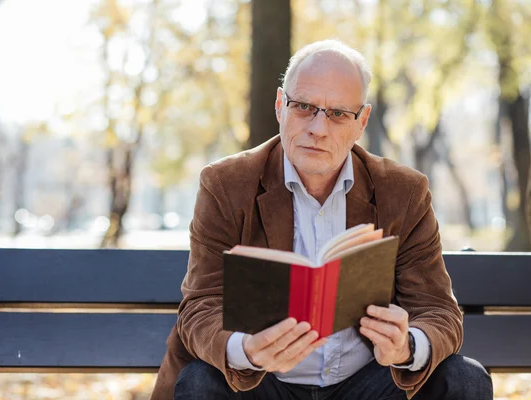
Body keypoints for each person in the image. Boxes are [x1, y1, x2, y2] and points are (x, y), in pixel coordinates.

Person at [150, 40, 493, 400]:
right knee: (201, 381)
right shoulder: (226, 184)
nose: (317, 128)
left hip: (368, 384)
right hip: (263, 383)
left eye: (338, 114)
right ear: (281, 105)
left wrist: (405, 346)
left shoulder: (404, 192)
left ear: (361, 122)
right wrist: (247, 350)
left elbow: (438, 310)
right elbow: (201, 304)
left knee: (464, 379)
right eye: (304, 107)